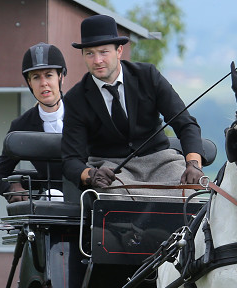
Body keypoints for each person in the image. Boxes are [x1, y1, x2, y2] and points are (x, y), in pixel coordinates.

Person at [61, 14, 206, 193]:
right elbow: (71, 159)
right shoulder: (75, 99)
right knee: (112, 194)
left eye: (104, 52)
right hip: (112, 169)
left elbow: (185, 124)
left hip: (160, 162)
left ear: (119, 51)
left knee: (187, 190)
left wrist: (193, 165)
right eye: (90, 53)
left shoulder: (148, 76)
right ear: (83, 55)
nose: (97, 61)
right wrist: (91, 174)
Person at [0, 42, 68, 203]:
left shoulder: (84, 112)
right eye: (36, 77)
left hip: (88, 199)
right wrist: (13, 188)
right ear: (29, 82)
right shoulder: (21, 126)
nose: (43, 83)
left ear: (60, 76)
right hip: (49, 206)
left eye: (49, 75)